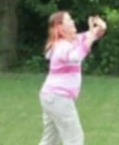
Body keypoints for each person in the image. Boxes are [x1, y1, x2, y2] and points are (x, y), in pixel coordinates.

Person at [38, 11, 107, 145]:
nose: (73, 22)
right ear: (60, 27)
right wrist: (92, 35)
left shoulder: (72, 41)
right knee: (75, 139)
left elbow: (94, 35)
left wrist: (100, 26)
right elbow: (76, 57)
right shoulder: (62, 46)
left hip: (51, 97)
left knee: (50, 140)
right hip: (58, 98)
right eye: (68, 20)